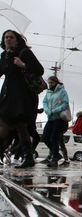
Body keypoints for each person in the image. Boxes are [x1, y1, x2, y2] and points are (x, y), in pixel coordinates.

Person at [0, 30, 44, 168]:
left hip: (22, 95)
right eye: (6, 37)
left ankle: (28, 156)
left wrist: (23, 65)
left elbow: (39, 70)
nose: (8, 39)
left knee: (20, 125)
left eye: (11, 37)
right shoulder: (4, 55)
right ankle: (28, 157)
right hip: (8, 94)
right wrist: (6, 57)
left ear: (17, 39)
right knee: (9, 125)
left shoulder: (24, 52)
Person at [42, 76, 70, 167]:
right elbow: (44, 102)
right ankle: (57, 155)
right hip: (50, 118)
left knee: (54, 138)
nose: (50, 85)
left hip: (60, 119)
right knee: (45, 137)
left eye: (51, 83)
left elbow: (65, 103)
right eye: (49, 83)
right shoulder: (48, 92)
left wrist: (54, 110)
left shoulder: (62, 91)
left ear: (56, 82)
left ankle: (54, 159)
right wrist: (47, 110)